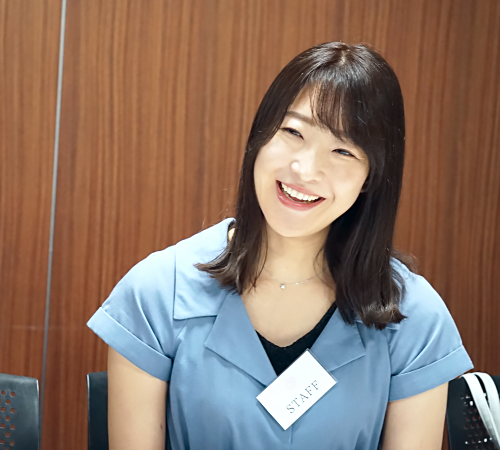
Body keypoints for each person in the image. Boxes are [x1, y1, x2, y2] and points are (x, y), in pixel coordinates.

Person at [87, 42, 473, 449]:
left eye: (343, 150)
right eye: (292, 132)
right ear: (261, 135)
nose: (305, 169)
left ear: (371, 177)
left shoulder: (414, 317)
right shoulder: (156, 292)